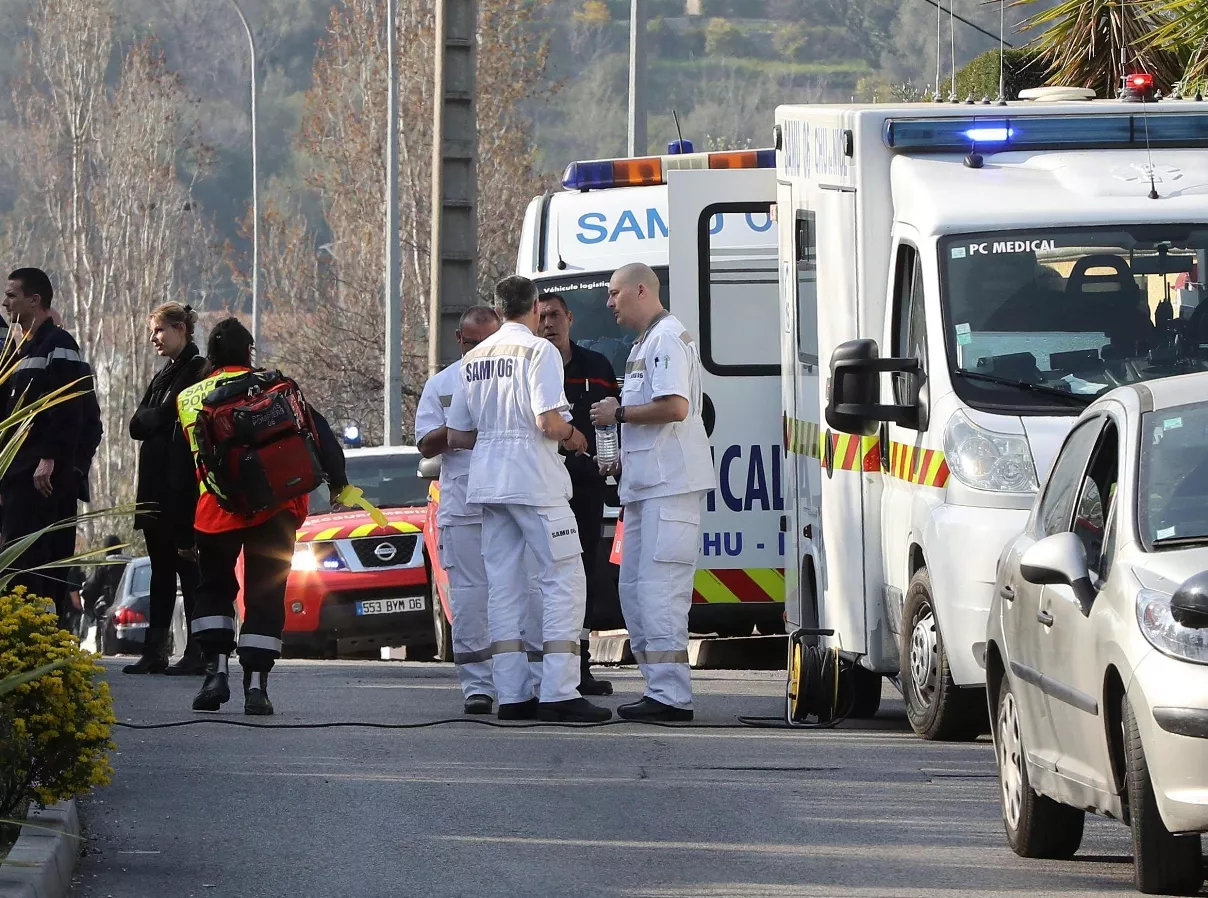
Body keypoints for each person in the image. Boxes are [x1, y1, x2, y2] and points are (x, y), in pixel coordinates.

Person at [447, 275, 611, 723]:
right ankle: (559, 691)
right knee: (564, 578)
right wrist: (576, 437)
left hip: (488, 483)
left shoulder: (475, 357)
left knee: (504, 587)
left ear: (498, 310)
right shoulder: (540, 351)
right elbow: (547, 422)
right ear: (536, 308)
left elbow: (460, 433)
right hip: (535, 481)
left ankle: (514, 695)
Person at [177, 318, 350, 716]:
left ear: (212, 354)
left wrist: (178, 525)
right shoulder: (277, 387)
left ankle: (215, 672)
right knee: (266, 594)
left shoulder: (188, 397)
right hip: (277, 508)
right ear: (249, 352)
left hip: (216, 510)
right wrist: (338, 483)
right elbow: (319, 434)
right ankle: (257, 686)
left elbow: (184, 464)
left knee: (215, 590)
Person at [590, 263, 714, 722]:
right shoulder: (645, 343)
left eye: (614, 292)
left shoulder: (665, 339)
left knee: (661, 593)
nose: (609, 302)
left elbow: (675, 407)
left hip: (669, 489)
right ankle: (658, 688)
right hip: (645, 489)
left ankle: (671, 696)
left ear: (641, 290)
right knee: (636, 591)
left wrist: (618, 413)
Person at [415, 305, 502, 715]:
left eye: (489, 342)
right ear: (459, 341)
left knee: (519, 593)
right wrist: (458, 433)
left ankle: (521, 682)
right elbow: (425, 443)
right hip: (465, 505)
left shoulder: (514, 376)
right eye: (473, 343)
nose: (481, 350)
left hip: (508, 502)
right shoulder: (443, 384)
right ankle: (477, 687)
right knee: (470, 596)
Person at [538, 292, 618, 696]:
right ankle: (545, 666)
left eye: (555, 315)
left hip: (584, 490)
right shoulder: (533, 367)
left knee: (583, 577)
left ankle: (579, 662)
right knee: (541, 577)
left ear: (569, 318)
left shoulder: (596, 367)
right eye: (542, 316)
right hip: (542, 490)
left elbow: (612, 423)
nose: (548, 322)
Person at [0, 268, 87, 627]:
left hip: (41, 479)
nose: (5, 302)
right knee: (17, 566)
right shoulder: (18, 351)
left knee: (38, 566)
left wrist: (49, 458)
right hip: (17, 477)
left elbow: (71, 409)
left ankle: (44, 638)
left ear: (35, 301)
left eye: (12, 295)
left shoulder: (60, 344)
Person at [125, 302, 207, 675]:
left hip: (182, 489)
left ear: (180, 329)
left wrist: (158, 417)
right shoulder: (164, 375)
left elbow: (175, 415)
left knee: (189, 571)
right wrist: (157, 417)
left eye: (159, 330)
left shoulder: (197, 369)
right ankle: (154, 649)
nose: (153, 339)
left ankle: (197, 650)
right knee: (160, 571)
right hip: (156, 489)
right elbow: (138, 424)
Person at [81, 535, 129, 627]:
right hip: (131, 611)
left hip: (108, 615)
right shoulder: (131, 565)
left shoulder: (103, 567)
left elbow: (89, 590)